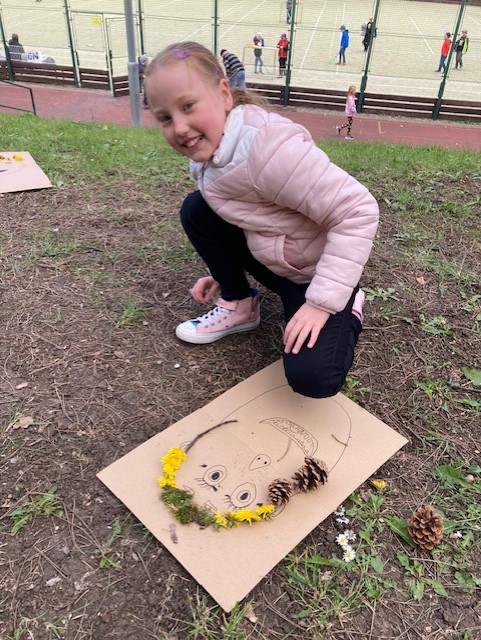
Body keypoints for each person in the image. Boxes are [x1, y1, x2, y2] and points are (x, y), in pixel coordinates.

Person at [144, 41, 379, 400]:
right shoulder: (216, 144)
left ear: (224, 94)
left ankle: (349, 304)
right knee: (197, 209)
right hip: (277, 258)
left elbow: (357, 210)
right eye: (165, 118)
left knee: (314, 378)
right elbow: (249, 211)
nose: (179, 127)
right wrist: (225, 269)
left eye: (188, 106)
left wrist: (320, 304)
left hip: (313, 275)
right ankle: (240, 305)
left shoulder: (270, 150)